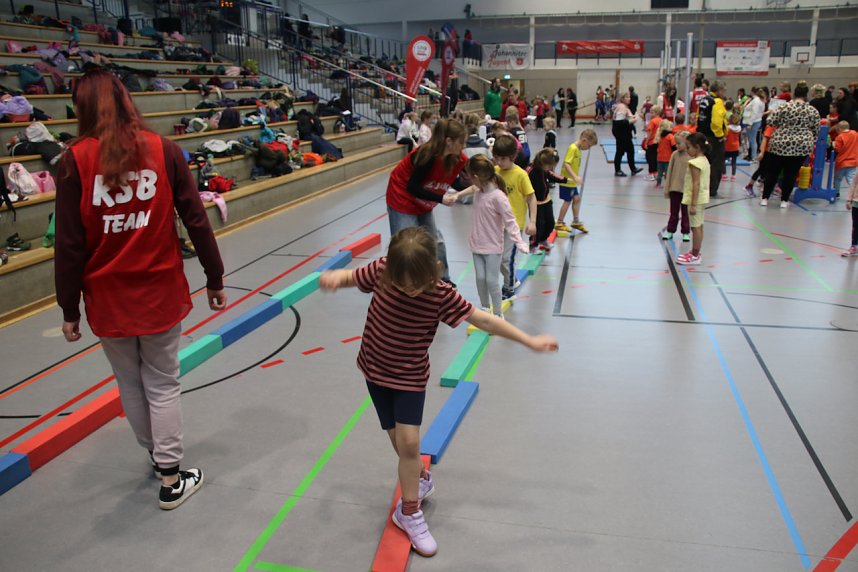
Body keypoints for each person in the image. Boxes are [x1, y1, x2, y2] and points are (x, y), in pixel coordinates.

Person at [318, 226, 557, 557]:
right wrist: (335, 279)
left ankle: (410, 511)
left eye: (414, 283)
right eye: (400, 283)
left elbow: (485, 321)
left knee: (410, 443)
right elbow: (353, 277)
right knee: (400, 447)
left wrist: (529, 340)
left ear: (431, 272)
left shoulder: (441, 294)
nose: (407, 289)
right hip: (373, 369)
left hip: (409, 378)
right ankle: (421, 476)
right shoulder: (384, 269)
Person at [54, 68, 226, 510]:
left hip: (106, 298)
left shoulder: (74, 160)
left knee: (130, 382)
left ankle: (157, 458)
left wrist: (68, 308)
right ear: (128, 101)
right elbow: (196, 219)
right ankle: (171, 477)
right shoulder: (164, 150)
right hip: (158, 292)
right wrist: (214, 276)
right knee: (162, 382)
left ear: (83, 107)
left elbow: (69, 244)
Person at [385, 118, 467, 282]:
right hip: (402, 197)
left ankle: (443, 280)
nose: (463, 146)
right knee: (406, 244)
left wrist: (475, 183)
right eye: (461, 142)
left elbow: (454, 182)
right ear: (448, 141)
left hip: (423, 199)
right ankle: (400, 281)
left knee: (435, 242)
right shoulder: (426, 156)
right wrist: (441, 198)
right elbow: (412, 187)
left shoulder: (457, 158)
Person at [451, 155, 530, 313]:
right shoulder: (479, 191)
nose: (469, 181)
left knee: (491, 280)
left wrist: (519, 241)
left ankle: (498, 314)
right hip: (477, 243)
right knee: (480, 279)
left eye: (469, 177)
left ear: (476, 177)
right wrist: (457, 195)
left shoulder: (498, 197)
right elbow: (473, 188)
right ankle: (485, 308)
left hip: (493, 246)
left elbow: (510, 221)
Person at [760, 83, 820, 208]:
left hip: (779, 143)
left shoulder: (784, 107)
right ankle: (784, 200)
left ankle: (765, 198)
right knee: (791, 174)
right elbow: (816, 129)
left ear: (794, 94)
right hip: (801, 145)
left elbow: (770, 121)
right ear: (806, 95)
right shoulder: (812, 110)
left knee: (772, 173)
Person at [492, 133, 537, 299]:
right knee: (496, 259)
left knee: (506, 259)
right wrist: (459, 195)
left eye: (502, 159)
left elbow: (532, 198)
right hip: (496, 224)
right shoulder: (495, 171)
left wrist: (532, 222)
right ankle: (512, 280)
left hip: (514, 226)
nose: (498, 162)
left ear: (512, 157)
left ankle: (508, 288)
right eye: (496, 158)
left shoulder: (520, 175)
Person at [676, 133, 711, 265]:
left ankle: (695, 255)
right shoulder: (704, 160)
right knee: (699, 226)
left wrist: (693, 204)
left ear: (697, 147)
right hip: (703, 197)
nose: (687, 150)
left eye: (689, 147)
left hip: (696, 199)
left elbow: (696, 183)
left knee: (695, 227)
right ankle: (696, 251)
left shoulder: (695, 163)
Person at [556, 129, 598, 233]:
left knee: (576, 198)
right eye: (589, 146)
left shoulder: (578, 149)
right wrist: (575, 176)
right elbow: (566, 163)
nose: (588, 148)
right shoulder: (573, 148)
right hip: (567, 181)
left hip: (572, 182)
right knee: (568, 200)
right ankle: (560, 223)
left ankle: (575, 221)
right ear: (584, 140)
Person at [527, 148, 567, 251]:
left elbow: (552, 175)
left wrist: (565, 180)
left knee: (550, 223)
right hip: (535, 203)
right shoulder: (530, 170)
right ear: (542, 162)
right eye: (550, 166)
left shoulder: (545, 170)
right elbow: (522, 182)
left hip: (546, 200)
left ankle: (543, 240)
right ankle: (533, 245)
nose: (551, 168)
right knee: (538, 226)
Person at [696, 80, 727, 198]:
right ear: (719, 91)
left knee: (704, 162)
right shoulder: (717, 102)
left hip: (703, 135)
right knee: (716, 164)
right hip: (714, 137)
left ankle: (701, 187)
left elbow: (699, 116)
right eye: (723, 91)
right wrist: (720, 136)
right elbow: (716, 121)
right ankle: (712, 189)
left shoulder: (704, 99)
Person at [661, 130, 691, 242]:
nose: (676, 145)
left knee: (685, 212)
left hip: (686, 189)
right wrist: (667, 187)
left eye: (679, 143)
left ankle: (685, 232)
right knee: (673, 212)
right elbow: (669, 172)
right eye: (676, 143)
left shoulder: (691, 156)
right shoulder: (674, 155)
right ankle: (670, 230)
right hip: (675, 188)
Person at [612, 92, 642, 177]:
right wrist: (632, 120)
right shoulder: (621, 107)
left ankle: (633, 169)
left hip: (624, 132)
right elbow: (619, 122)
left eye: (629, 97)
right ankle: (618, 170)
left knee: (630, 150)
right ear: (622, 98)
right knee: (620, 151)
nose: (629, 98)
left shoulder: (624, 106)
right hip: (621, 133)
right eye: (627, 97)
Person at [744, 124, 776, 198]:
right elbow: (764, 140)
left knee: (767, 170)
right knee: (761, 169)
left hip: (772, 152)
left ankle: (763, 185)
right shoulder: (770, 127)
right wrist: (762, 152)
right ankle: (749, 186)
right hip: (767, 152)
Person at [833, 121, 858, 199]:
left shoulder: (840, 137)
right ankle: (855, 194)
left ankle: (836, 193)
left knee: (837, 179)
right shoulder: (855, 134)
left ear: (839, 128)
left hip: (841, 162)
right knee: (851, 179)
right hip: (853, 161)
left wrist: (834, 144)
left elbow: (838, 149)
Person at [743, 88, 765, 162]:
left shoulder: (756, 101)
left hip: (753, 122)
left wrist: (750, 124)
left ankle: (754, 157)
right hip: (756, 121)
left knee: (752, 140)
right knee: (752, 140)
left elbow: (754, 113)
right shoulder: (761, 101)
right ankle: (753, 156)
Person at [644, 106, 664, 181]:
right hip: (659, 142)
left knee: (650, 157)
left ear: (656, 113)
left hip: (652, 142)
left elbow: (649, 131)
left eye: (652, 112)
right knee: (656, 158)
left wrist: (646, 141)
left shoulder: (653, 121)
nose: (651, 114)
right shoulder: (662, 121)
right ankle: (656, 173)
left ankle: (651, 173)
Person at [655, 119, 675, 188]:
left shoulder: (659, 135)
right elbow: (673, 145)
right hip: (668, 157)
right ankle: (668, 184)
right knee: (668, 172)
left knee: (659, 172)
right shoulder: (670, 136)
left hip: (659, 157)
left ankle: (658, 183)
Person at [725, 113, 742, 181]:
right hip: (735, 146)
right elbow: (739, 138)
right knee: (734, 161)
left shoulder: (728, 128)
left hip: (728, 146)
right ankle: (733, 175)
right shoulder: (739, 128)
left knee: (724, 160)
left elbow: (726, 137)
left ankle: (724, 174)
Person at [844, 176, 858, 257]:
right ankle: (854, 245)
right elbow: (853, 184)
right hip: (856, 203)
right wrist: (849, 200)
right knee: (855, 226)